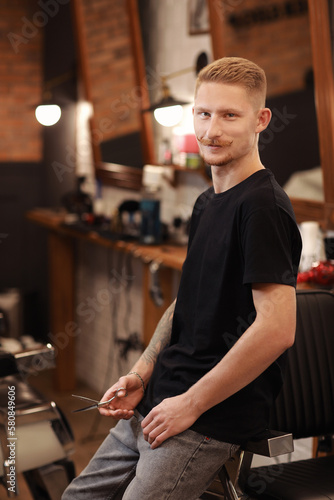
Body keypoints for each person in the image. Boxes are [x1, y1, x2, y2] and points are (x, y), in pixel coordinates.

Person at [62, 57, 302, 500]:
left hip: (209, 416)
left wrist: (190, 403)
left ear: (261, 120)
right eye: (203, 113)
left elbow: (277, 329)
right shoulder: (206, 203)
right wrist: (142, 372)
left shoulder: (262, 207)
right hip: (160, 399)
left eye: (230, 115)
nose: (211, 131)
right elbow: (185, 306)